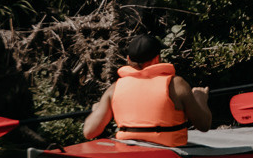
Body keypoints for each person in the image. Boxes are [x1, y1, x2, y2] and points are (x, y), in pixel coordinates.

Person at [84, 33, 213, 146]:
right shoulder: (176, 85)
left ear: (128, 59)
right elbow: (204, 125)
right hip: (169, 152)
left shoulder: (115, 88)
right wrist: (200, 99)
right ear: (157, 58)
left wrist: (97, 110)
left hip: (128, 150)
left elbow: (89, 132)